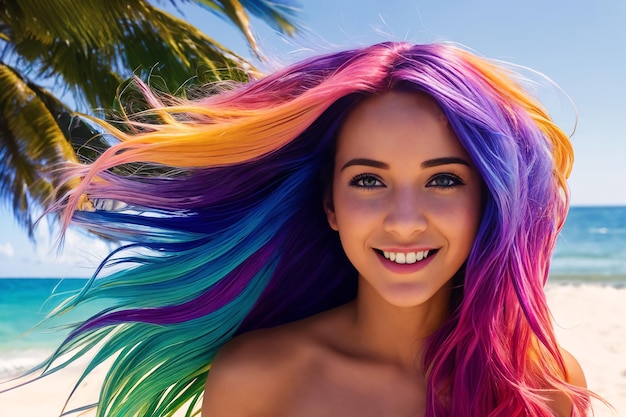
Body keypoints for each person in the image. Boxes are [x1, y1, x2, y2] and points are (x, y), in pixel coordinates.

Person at [19, 41, 595, 416]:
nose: (403, 220)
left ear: (486, 200)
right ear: (331, 206)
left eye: (443, 181)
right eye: (368, 181)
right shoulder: (260, 380)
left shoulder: (545, 386)